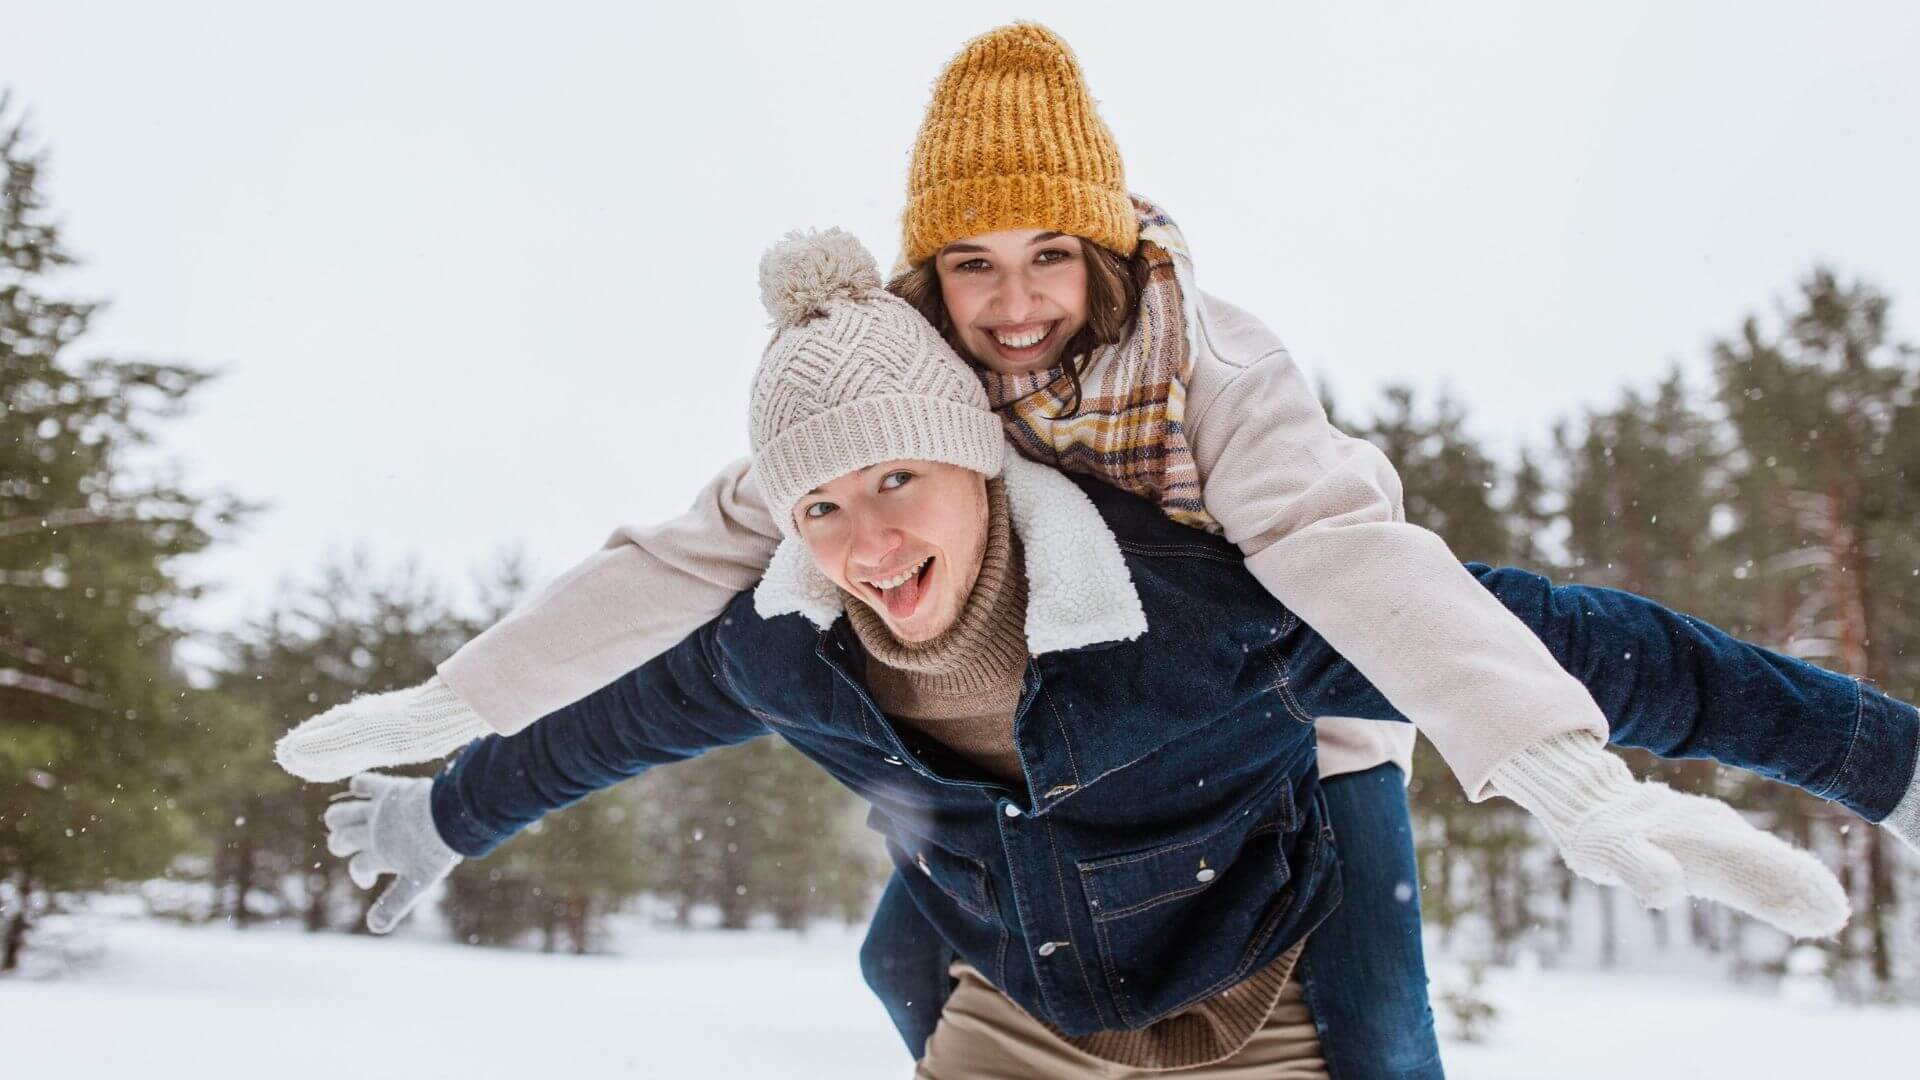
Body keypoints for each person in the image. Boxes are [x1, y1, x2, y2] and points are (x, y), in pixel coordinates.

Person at [283, 22, 1920, 1077]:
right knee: (902, 944)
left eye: (1050, 256)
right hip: (1022, 762)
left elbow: (1364, 567)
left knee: (1380, 1031)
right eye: (971, 266)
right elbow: (677, 582)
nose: (1011, 306)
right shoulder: (899, 397)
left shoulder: (1219, 369)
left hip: (1288, 695)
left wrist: (1569, 773)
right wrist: (459, 724)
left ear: (1112, 250)